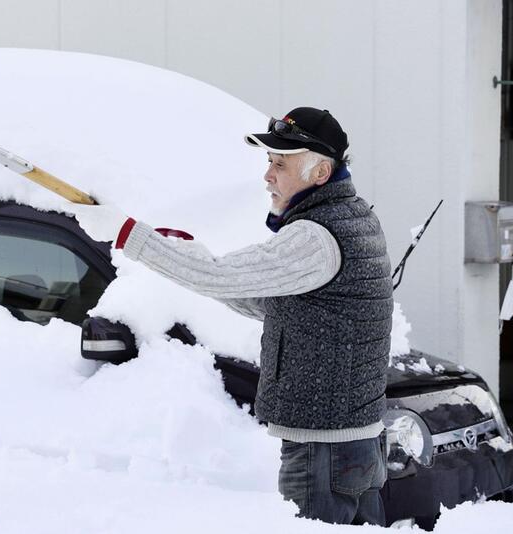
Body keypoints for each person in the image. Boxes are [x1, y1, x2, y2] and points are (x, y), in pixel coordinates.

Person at [68, 107, 393, 526]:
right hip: (352, 443)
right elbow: (274, 301)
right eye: (268, 162)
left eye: (281, 163)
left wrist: (127, 233)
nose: (268, 175)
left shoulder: (314, 236)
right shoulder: (351, 219)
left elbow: (221, 277)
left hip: (323, 450)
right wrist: (192, 264)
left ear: (320, 173)